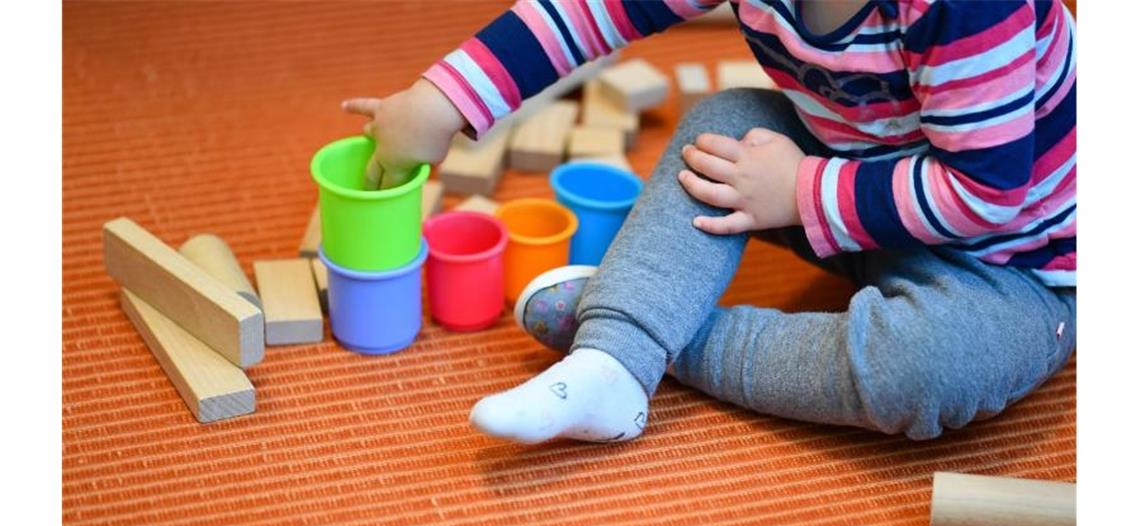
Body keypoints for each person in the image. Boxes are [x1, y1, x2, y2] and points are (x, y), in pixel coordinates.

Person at [343, 0, 1076, 443]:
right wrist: (442, 99)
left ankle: (640, 334)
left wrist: (799, 192)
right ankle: (617, 365)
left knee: (925, 370)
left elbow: (986, 193)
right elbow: (591, 12)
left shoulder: (971, 9)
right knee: (723, 127)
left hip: (1016, 265)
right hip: (858, 187)